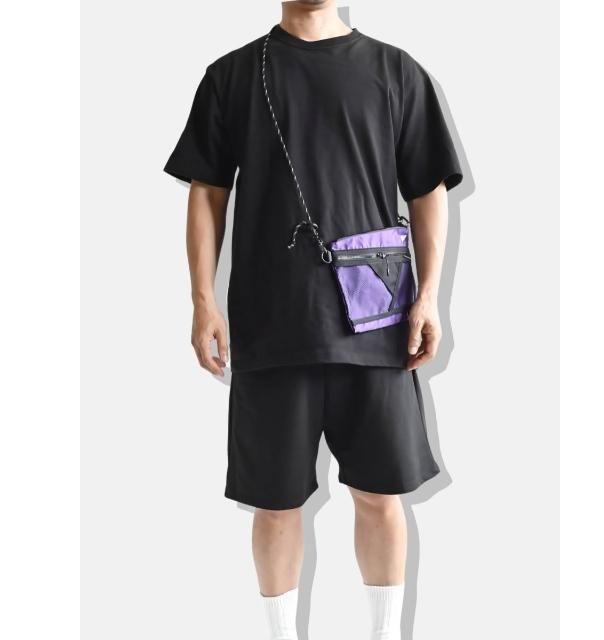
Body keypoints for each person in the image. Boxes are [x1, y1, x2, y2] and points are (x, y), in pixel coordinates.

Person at [164, 1, 463, 638]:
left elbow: (427, 189)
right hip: (272, 323)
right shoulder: (232, 75)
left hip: (378, 321)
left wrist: (430, 297)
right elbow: (207, 192)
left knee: (381, 495)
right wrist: (202, 300)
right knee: (274, 504)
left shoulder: (396, 71)